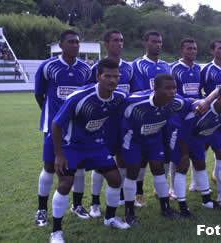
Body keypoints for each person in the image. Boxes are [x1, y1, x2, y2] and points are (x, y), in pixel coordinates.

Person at [50, 58, 130, 243]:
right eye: (107, 76)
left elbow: (137, 96)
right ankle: (56, 231)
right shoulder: (79, 97)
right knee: (64, 184)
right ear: (98, 77)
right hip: (73, 146)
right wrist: (59, 154)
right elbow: (56, 125)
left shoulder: (118, 97)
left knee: (115, 179)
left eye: (116, 76)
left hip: (96, 145)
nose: (112, 80)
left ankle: (109, 218)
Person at [34, 30, 92, 227]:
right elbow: (39, 94)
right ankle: (41, 210)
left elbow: (87, 96)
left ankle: (77, 205)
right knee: (50, 166)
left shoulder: (85, 68)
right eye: (70, 42)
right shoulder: (48, 67)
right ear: (61, 45)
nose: (75, 45)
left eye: (77, 42)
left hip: (78, 127)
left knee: (79, 166)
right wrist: (53, 117)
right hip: (54, 126)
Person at [121, 73, 191, 226]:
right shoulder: (134, 102)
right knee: (132, 172)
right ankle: (129, 213)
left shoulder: (176, 102)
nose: (172, 91)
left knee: (158, 169)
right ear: (155, 89)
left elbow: (191, 103)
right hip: (133, 140)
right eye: (167, 88)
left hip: (154, 139)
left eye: (174, 88)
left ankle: (165, 208)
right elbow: (116, 113)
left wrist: (205, 101)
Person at [170, 84, 221, 213]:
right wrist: (184, 155)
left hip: (198, 139)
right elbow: (182, 132)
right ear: (218, 100)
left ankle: (206, 200)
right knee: (182, 168)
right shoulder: (199, 110)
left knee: (201, 165)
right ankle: (182, 207)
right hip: (182, 138)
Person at [87, 29, 133, 217]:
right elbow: (89, 95)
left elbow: (134, 95)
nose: (119, 44)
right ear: (105, 44)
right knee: (100, 163)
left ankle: (121, 194)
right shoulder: (95, 69)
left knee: (122, 160)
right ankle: (95, 203)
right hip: (102, 124)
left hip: (123, 124)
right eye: (115, 40)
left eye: (121, 40)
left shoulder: (129, 68)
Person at [187, 40, 221, 192]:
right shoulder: (206, 69)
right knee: (202, 148)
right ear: (212, 52)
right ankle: (195, 183)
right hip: (208, 114)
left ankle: (216, 176)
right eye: (219, 48)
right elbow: (199, 91)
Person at [130, 31, 171, 206]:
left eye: (160, 42)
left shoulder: (166, 66)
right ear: (145, 43)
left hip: (163, 116)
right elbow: (138, 93)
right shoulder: (137, 65)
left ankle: (160, 189)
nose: (158, 45)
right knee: (141, 159)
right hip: (143, 117)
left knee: (163, 155)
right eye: (154, 42)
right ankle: (138, 193)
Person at [169, 38, 201, 198]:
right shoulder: (173, 68)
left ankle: (195, 183)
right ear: (181, 51)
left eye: (194, 49)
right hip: (178, 115)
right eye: (189, 49)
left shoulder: (197, 69)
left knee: (196, 147)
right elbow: (170, 92)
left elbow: (198, 91)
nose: (193, 51)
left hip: (195, 114)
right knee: (177, 152)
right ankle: (173, 188)